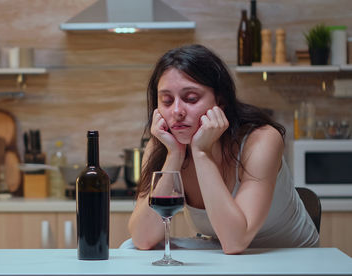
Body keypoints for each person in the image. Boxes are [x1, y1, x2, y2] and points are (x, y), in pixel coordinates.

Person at [128, 44, 319, 254]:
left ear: (221, 100)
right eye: (166, 100)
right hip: (228, 256)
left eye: (191, 98)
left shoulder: (262, 140)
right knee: (129, 247)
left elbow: (235, 242)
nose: (176, 111)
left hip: (291, 256)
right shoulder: (162, 145)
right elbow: (142, 238)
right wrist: (174, 155)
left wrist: (201, 153)